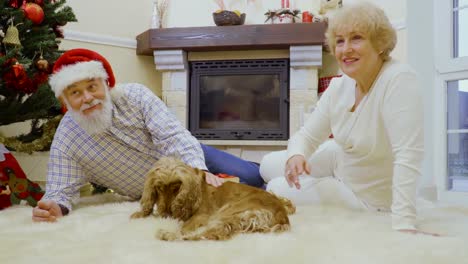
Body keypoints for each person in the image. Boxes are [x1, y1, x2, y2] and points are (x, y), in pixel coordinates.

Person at [260, 3, 437, 235]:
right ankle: (312, 171)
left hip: (365, 193)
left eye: (356, 38)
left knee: (275, 186)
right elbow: (307, 135)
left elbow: (408, 155)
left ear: (380, 43)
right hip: (341, 160)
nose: (345, 49)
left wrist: (404, 223)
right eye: (340, 41)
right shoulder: (340, 84)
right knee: (266, 165)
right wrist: (297, 155)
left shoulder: (399, 80)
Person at [32, 48, 263, 222]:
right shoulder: (67, 138)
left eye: (92, 87)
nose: (88, 98)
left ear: (106, 83)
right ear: (65, 101)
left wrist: (199, 170)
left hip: (189, 160)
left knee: (252, 178)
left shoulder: (136, 96)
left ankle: (265, 167)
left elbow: (173, 136)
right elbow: (59, 190)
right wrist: (55, 208)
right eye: (75, 93)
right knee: (233, 198)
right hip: (162, 191)